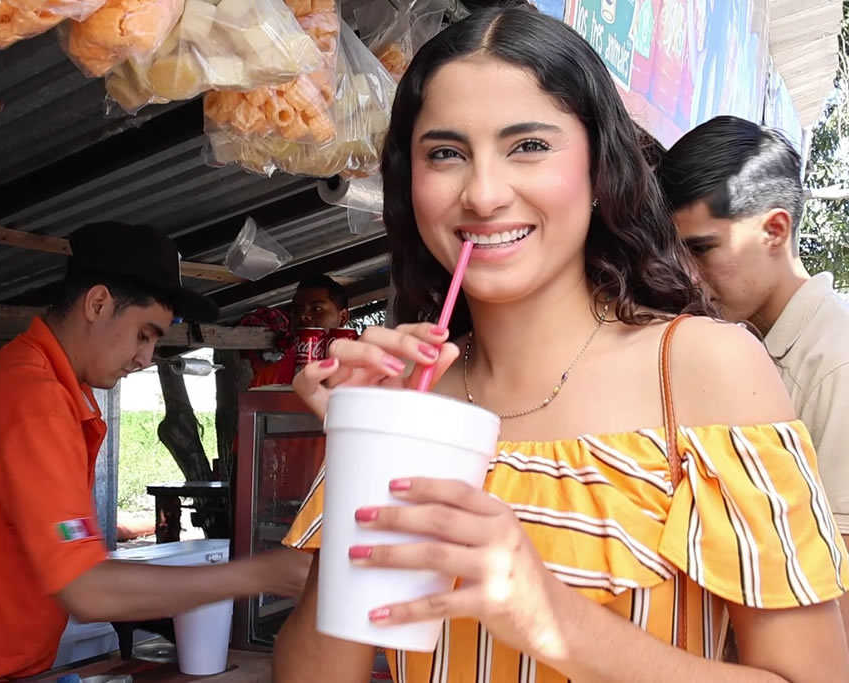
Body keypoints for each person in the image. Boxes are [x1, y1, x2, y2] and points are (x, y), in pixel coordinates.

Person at [272, 6, 849, 682]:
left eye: (529, 146)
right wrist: (362, 460)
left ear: (601, 170)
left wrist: (553, 617)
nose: (484, 194)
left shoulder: (704, 368)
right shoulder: (410, 395)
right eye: (446, 153)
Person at [0, 222, 310, 683]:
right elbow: (86, 589)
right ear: (97, 304)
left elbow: (67, 559)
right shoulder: (32, 398)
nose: (145, 358)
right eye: (145, 333)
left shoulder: (51, 386)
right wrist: (261, 575)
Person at [658, 115, 849, 634]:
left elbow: (838, 595)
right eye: (677, 252)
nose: (687, 273)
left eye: (702, 249)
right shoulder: (738, 343)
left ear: (775, 230)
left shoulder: (834, 367)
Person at [247, 274, 350, 388]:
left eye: (316, 309)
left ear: (343, 317)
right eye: (297, 310)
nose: (303, 316)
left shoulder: (362, 373)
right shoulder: (268, 378)